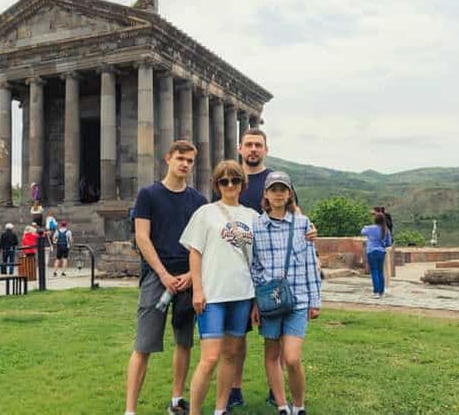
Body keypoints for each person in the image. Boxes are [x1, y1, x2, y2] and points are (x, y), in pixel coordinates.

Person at [124, 140, 207, 415]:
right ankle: (130, 410)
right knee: (143, 344)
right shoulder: (148, 195)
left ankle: (176, 400)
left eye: (190, 161)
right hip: (155, 277)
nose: (185, 164)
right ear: (167, 159)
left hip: (187, 278)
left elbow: (203, 244)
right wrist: (162, 273)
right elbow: (141, 237)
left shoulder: (198, 200)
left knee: (184, 341)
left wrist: (190, 276)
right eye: (180, 158)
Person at [179, 160, 257, 415]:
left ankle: (221, 408)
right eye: (224, 181)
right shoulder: (205, 213)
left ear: (242, 184)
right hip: (213, 295)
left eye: (235, 180)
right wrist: (198, 290)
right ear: (217, 185)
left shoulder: (253, 217)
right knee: (209, 358)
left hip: (242, 294)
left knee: (232, 355)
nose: (230, 185)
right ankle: (195, 412)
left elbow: (259, 259)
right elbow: (195, 253)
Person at [250, 171, 321, 415]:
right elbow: (255, 266)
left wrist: (315, 300)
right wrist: (257, 302)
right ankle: (282, 405)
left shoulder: (303, 224)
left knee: (291, 358)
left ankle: (298, 405)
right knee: (271, 354)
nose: (278, 193)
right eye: (273, 189)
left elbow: (311, 263)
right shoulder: (256, 225)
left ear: (289, 193)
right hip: (270, 300)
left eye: (283, 189)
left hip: (298, 298)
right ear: (266, 195)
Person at [362, 213, 393, 298]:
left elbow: (363, 231)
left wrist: (366, 226)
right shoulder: (386, 230)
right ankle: (381, 291)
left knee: (374, 272)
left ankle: (376, 292)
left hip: (371, 251)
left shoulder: (371, 228)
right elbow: (389, 243)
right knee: (380, 272)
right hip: (381, 251)